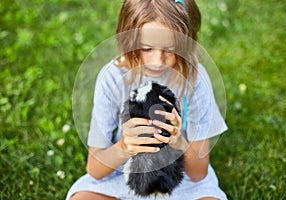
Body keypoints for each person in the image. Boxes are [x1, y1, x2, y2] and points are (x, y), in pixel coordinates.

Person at [66, 0, 228, 199]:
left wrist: (179, 143)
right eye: (146, 48)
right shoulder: (113, 76)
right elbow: (95, 169)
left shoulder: (195, 80)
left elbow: (198, 173)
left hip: (180, 179)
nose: (157, 61)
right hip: (125, 175)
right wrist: (125, 146)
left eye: (169, 49)